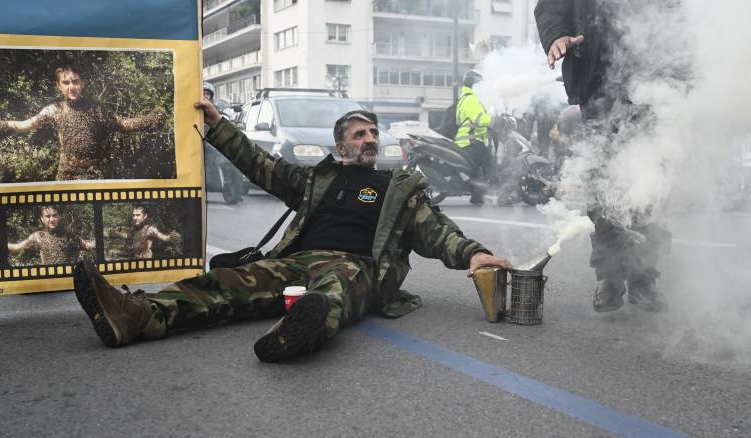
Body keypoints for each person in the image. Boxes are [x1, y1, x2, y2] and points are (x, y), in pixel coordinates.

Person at [71, 99, 513, 363]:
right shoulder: (316, 180)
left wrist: (473, 254)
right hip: (295, 262)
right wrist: (219, 127)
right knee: (220, 283)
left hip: (354, 266)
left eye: (374, 133)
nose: (370, 139)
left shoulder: (398, 189)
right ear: (341, 147)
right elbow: (262, 167)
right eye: (360, 134)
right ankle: (133, 315)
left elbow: (436, 231)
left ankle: (294, 335)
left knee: (336, 289)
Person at [535, 0, 669, 312]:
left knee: (651, 184)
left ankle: (643, 276)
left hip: (654, 84)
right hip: (599, 83)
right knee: (603, 183)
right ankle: (609, 275)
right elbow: (552, 6)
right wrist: (557, 35)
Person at [0, 64, 166, 180]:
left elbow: (123, 124)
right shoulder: (54, 110)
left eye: (75, 81)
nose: (72, 87)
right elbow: (25, 124)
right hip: (66, 175)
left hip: (95, 175)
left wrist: (150, 119)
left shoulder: (96, 108)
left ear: (82, 83)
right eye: (66, 83)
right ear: (58, 85)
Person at [454, 69, 494, 205]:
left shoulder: (466, 98)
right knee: (489, 161)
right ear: (474, 84)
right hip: (469, 142)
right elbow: (479, 119)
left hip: (468, 142)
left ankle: (477, 196)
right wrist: (493, 119)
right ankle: (499, 190)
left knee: (478, 172)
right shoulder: (470, 100)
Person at [8, 205, 95, 265]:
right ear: (42, 219)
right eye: (48, 216)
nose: (52, 219)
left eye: (54, 215)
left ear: (59, 217)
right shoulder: (37, 236)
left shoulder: (68, 235)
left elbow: (88, 246)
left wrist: (103, 240)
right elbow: (16, 247)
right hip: (48, 279)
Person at [107, 206, 179, 259]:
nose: (134, 218)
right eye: (133, 215)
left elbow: (164, 238)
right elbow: (127, 236)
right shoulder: (134, 229)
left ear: (145, 216)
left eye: (138, 215)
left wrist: (172, 237)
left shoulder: (150, 229)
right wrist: (117, 234)